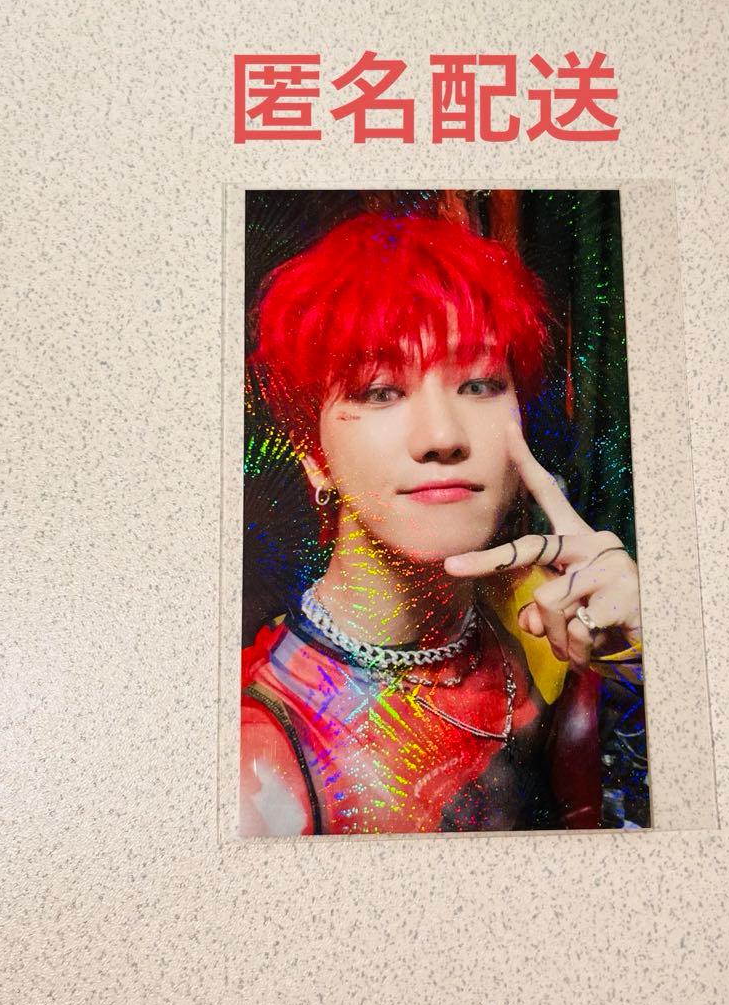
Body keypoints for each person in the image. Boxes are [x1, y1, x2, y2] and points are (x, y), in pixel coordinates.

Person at [240, 211, 644, 835]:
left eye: (478, 384)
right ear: (313, 454)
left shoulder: (551, 624)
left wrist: (642, 658)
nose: (442, 436)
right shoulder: (262, 757)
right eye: (379, 391)